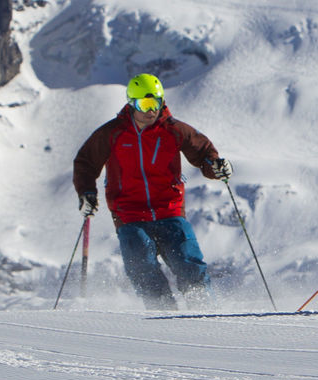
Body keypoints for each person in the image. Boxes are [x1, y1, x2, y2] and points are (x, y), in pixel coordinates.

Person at [72, 73, 231, 309]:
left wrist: (215, 167)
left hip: (169, 209)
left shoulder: (174, 130)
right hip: (129, 213)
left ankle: (203, 307)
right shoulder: (112, 133)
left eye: (156, 103)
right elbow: (86, 162)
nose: (151, 111)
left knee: (187, 259)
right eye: (145, 104)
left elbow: (204, 153)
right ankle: (163, 311)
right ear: (132, 103)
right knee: (141, 265)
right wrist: (87, 193)